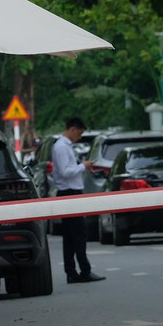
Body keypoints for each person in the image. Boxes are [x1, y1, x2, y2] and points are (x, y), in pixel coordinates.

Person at [51, 116, 106, 284]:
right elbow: (65, 171)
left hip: (70, 191)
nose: (80, 137)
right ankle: (84, 270)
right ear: (72, 129)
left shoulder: (64, 146)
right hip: (69, 192)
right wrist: (84, 166)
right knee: (79, 234)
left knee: (70, 236)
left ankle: (72, 272)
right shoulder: (61, 147)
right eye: (79, 133)